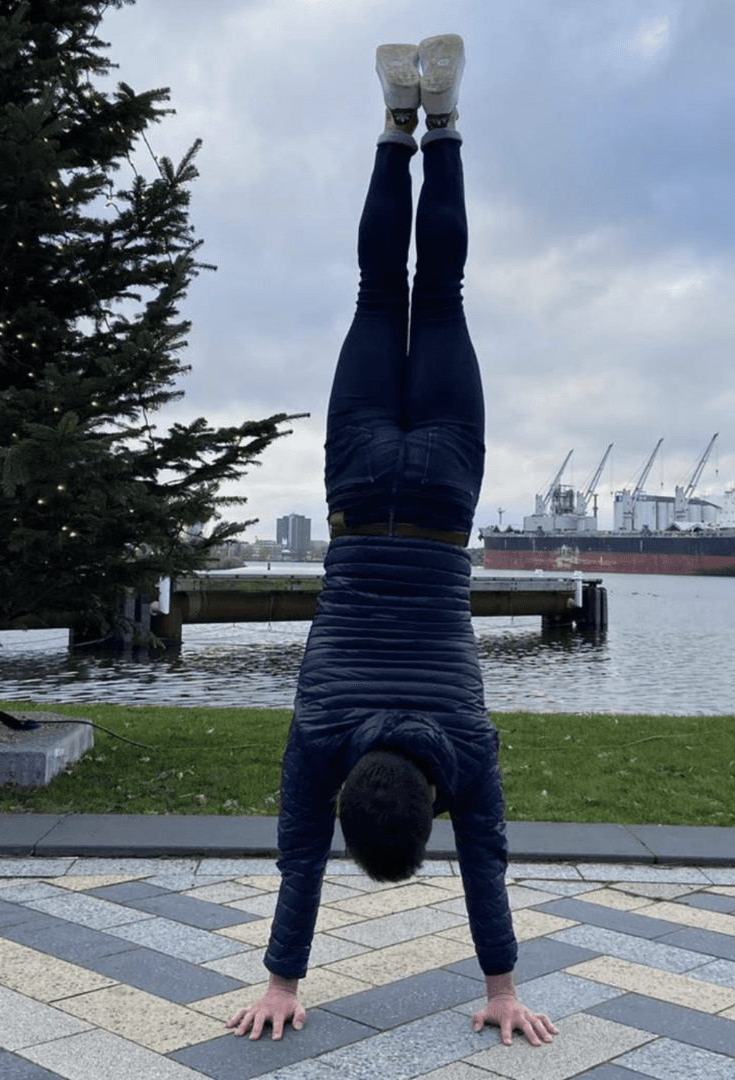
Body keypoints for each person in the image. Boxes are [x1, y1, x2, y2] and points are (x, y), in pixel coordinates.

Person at [226, 35, 558, 1050]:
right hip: (362, 486)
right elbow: (296, 862)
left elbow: (488, 864)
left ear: (433, 803)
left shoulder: (464, 748)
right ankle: (395, 122)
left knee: (441, 294)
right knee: (380, 292)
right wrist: (281, 977)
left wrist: (504, 990)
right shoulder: (319, 736)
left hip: (448, 489)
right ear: (345, 794)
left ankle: (444, 119)